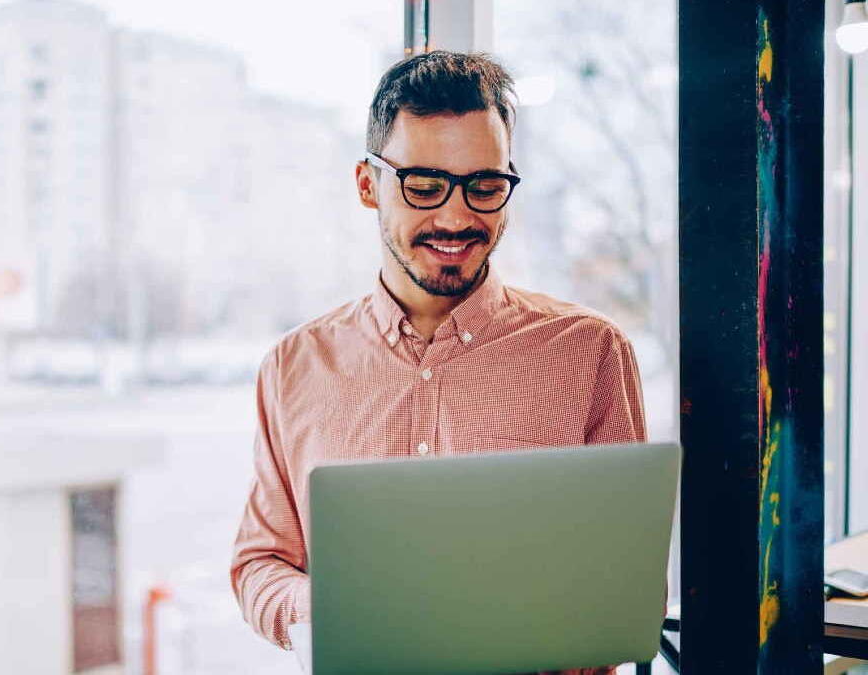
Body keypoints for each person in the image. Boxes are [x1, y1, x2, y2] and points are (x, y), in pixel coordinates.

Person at [230, 51, 646, 675]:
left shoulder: (589, 352)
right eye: (424, 186)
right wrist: (332, 611)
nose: (456, 217)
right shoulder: (294, 366)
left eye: (484, 185)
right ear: (369, 185)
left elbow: (625, 587)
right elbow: (260, 563)